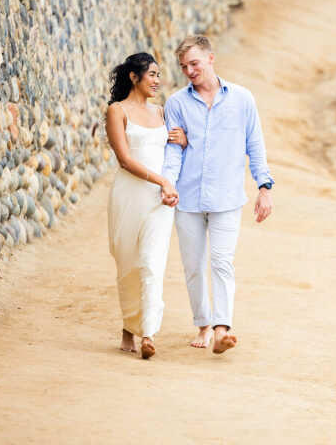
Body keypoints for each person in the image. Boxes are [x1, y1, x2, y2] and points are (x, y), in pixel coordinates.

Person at [161, 35, 273, 355]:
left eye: (194, 63)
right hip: (188, 198)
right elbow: (173, 153)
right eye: (184, 67)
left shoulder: (242, 99)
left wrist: (263, 188)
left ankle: (222, 328)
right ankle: (203, 324)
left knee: (222, 262)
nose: (189, 71)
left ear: (211, 59)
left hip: (226, 198)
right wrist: (168, 184)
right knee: (194, 265)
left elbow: (256, 146)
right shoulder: (177, 103)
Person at [105, 52, 187, 359]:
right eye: (152, 74)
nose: (157, 80)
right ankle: (129, 326)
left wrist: (182, 141)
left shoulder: (163, 112)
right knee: (128, 264)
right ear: (134, 77)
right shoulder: (117, 110)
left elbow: (175, 149)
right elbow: (125, 160)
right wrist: (162, 180)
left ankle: (148, 334)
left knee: (152, 264)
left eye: (158, 75)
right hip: (128, 197)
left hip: (159, 200)